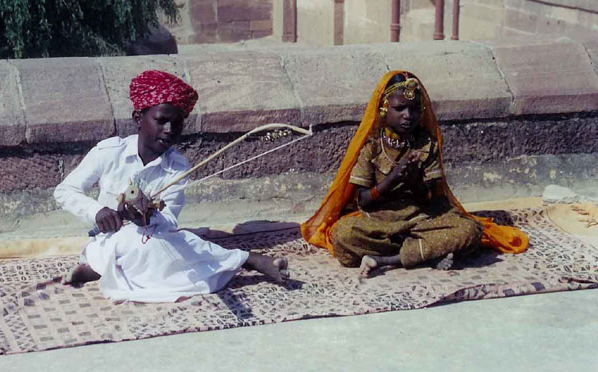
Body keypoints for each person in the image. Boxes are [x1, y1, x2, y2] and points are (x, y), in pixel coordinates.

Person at [55, 70, 289, 302]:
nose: (169, 130)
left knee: (173, 243)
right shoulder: (109, 152)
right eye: (161, 121)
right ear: (138, 119)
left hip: (153, 238)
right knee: (158, 249)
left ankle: (102, 269)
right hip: (107, 240)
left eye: (176, 124)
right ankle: (247, 259)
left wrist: (147, 216)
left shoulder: (177, 166)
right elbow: (65, 191)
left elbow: (169, 220)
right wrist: (97, 212)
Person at [301, 71, 528, 277]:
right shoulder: (371, 147)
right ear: (384, 109)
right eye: (400, 108)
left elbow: (430, 199)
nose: (408, 115)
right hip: (379, 222)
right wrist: (393, 179)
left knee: (469, 231)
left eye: (414, 109)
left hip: (420, 219)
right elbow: (363, 200)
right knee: (343, 235)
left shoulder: (425, 144)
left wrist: (414, 181)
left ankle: (386, 260)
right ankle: (425, 252)